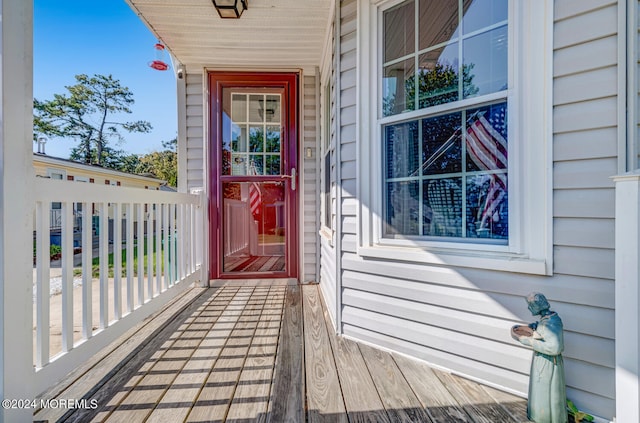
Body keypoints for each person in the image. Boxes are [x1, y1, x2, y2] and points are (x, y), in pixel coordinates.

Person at [511, 292, 567, 423]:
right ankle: (538, 416)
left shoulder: (553, 323)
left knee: (546, 392)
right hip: (541, 360)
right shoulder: (546, 319)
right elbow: (543, 331)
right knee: (539, 389)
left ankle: (546, 419)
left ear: (538, 306)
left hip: (548, 364)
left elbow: (555, 347)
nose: (528, 308)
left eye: (530, 305)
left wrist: (529, 341)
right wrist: (534, 327)